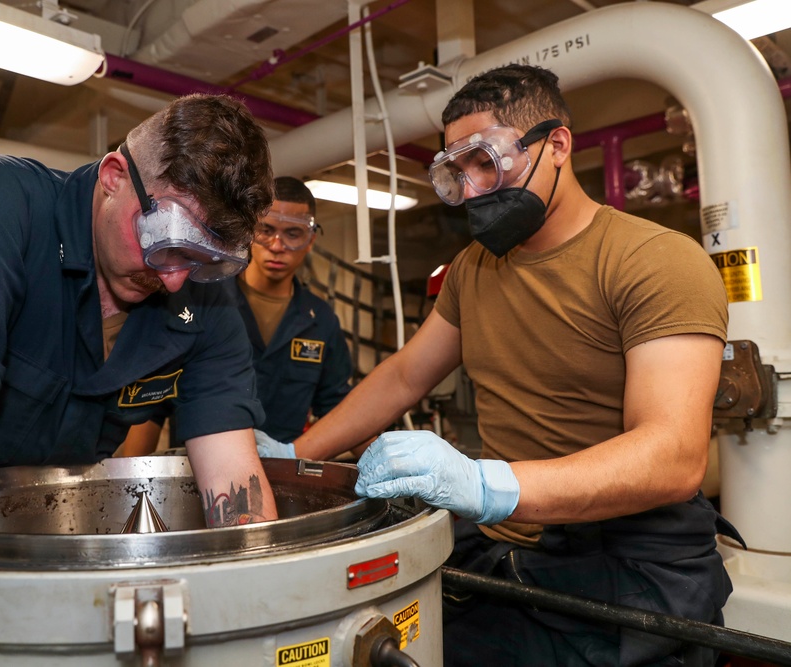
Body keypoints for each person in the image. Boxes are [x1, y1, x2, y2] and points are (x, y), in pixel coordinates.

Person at [281, 65, 739, 665]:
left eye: (485, 162)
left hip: (625, 563)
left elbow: (673, 457)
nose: (470, 190)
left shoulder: (655, 261)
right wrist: (294, 460)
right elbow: (405, 376)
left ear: (556, 145)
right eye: (455, 172)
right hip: (499, 553)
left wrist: (486, 484)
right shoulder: (474, 269)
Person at [0, 94, 279, 532]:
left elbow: (233, 479)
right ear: (113, 177)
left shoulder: (206, 300)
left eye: (202, 261)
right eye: (164, 244)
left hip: (47, 534)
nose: (174, 281)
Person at [124, 177, 354, 456]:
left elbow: (340, 409)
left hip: (285, 475)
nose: (277, 246)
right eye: (266, 230)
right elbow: (152, 402)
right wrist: (137, 481)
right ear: (249, 231)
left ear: (310, 241)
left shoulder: (321, 321)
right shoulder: (202, 302)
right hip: (198, 473)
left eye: (293, 234)